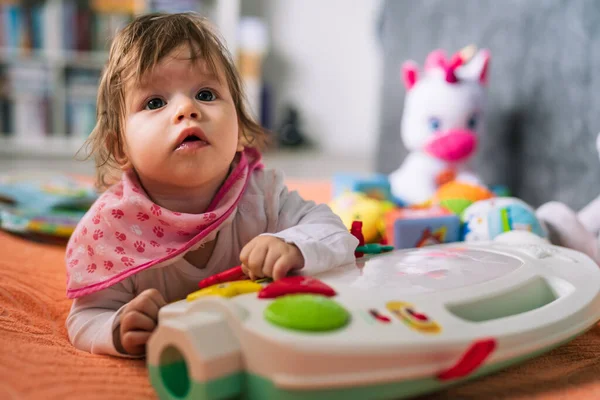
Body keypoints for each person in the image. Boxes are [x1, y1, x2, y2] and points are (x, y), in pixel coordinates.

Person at [65, 12, 358, 357]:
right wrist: (117, 328)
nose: (187, 108)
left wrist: (292, 244)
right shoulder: (112, 231)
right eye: (155, 102)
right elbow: (85, 316)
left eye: (206, 94)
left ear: (239, 131)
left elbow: (334, 232)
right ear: (121, 148)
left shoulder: (259, 195)